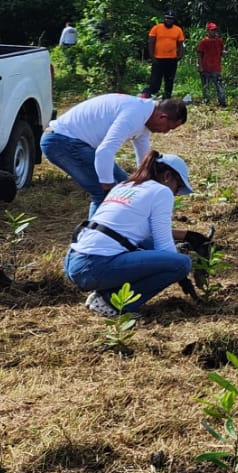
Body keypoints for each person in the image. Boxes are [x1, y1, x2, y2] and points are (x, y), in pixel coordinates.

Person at [63, 150, 202, 316]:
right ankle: (111, 303)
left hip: (74, 263)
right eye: (178, 187)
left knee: (149, 247)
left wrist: (188, 235)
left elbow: (132, 230)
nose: (176, 193)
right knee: (181, 263)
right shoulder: (161, 191)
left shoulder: (125, 185)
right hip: (94, 266)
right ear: (167, 176)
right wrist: (182, 275)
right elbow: (164, 247)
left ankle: (103, 295)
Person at [42, 93, 188, 212]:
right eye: (168, 128)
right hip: (61, 141)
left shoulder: (146, 117)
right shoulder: (134, 114)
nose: (165, 132)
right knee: (104, 195)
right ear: (162, 117)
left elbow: (144, 159)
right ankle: (95, 243)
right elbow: (104, 152)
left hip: (73, 142)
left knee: (124, 188)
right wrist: (108, 187)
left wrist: (148, 185)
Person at [143, 12, 185, 100]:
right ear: (164, 18)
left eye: (171, 18)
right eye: (167, 18)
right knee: (155, 82)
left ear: (173, 20)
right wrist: (152, 56)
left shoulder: (178, 30)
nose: (168, 20)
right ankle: (146, 96)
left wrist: (180, 55)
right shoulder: (156, 28)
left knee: (169, 81)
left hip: (171, 59)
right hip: (158, 59)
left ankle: (167, 99)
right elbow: (151, 42)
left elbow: (180, 43)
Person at [196, 22, 227, 108]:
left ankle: (222, 102)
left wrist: (224, 53)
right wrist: (200, 66)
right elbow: (199, 54)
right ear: (208, 31)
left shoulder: (219, 41)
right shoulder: (204, 42)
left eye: (215, 30)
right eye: (212, 30)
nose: (214, 32)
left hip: (216, 67)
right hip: (206, 67)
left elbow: (222, 51)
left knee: (219, 86)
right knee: (206, 86)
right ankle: (206, 101)